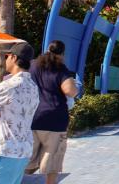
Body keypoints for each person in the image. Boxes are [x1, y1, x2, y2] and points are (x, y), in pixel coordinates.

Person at [0, 42, 39, 184]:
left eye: (7, 56)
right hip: (23, 150)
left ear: (13, 57)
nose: (5, 60)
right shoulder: (33, 87)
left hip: (4, 151)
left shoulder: (8, 85)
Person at [25, 40, 79, 184]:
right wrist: (77, 88)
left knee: (26, 158)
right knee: (52, 160)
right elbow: (70, 91)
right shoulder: (60, 68)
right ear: (62, 54)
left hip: (32, 117)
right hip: (55, 119)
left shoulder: (32, 65)